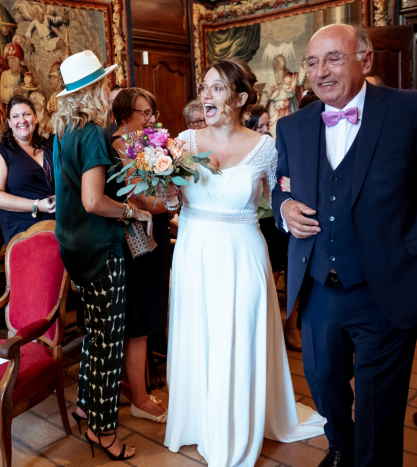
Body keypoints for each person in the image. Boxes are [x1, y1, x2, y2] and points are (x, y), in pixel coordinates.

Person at [272, 24, 417, 466]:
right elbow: (280, 186)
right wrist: (284, 206)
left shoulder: (412, 110)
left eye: (333, 58)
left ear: (365, 61)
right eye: (312, 62)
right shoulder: (291, 126)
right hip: (318, 290)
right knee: (324, 386)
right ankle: (343, 449)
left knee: (377, 409)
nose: (320, 71)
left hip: (386, 288)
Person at [164, 59, 325, 465]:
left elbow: (279, 200)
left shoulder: (265, 146)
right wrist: (164, 191)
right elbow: (173, 200)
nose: (206, 95)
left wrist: (297, 216)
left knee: (238, 335)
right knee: (201, 334)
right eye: (203, 88)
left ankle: (237, 425)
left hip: (243, 254)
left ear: (239, 98)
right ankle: (202, 420)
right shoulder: (182, 142)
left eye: (216, 88)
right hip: (194, 251)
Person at [52, 50, 152, 461]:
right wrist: (135, 211)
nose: (110, 91)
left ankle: (85, 406)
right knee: (109, 340)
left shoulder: (63, 130)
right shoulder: (91, 133)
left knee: (95, 333)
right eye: (106, 84)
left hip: (72, 247)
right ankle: (103, 432)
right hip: (98, 246)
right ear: (94, 90)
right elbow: (94, 201)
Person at [110, 87, 169, 423]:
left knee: (144, 317)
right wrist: (174, 204)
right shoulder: (120, 144)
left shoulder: (143, 143)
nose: (151, 119)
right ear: (124, 115)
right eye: (144, 113)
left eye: (152, 112)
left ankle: (137, 387)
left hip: (153, 227)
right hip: (138, 234)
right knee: (140, 320)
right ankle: (140, 398)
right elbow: (140, 199)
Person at [245, 104, 299, 350]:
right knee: (268, 276)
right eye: (261, 126)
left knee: (289, 271)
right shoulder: (246, 149)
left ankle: (290, 326)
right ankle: (269, 328)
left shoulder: (275, 146)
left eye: (269, 125)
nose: (267, 130)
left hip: (279, 216)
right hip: (258, 219)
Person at [0, 95, 55, 244]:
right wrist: (37, 205)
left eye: (27, 114)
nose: (22, 120)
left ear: (36, 118)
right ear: (10, 123)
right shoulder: (0, 152)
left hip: (57, 224)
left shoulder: (49, 147)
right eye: (15, 116)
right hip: (23, 229)